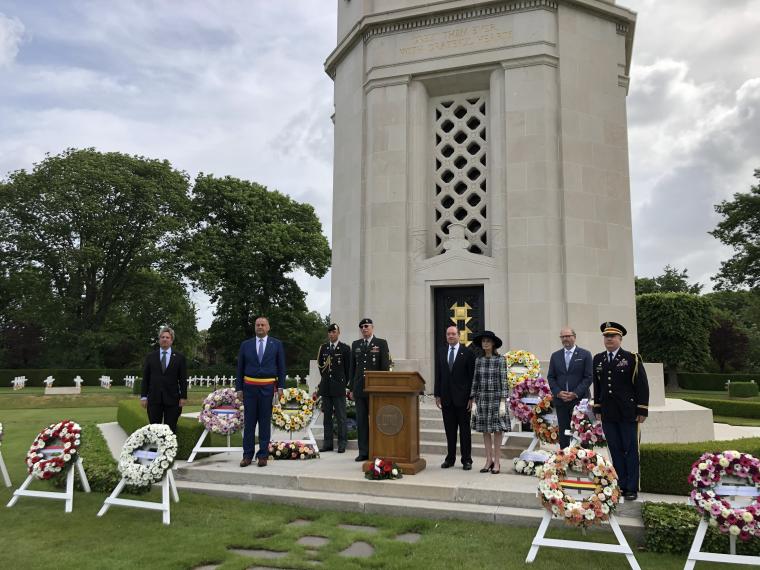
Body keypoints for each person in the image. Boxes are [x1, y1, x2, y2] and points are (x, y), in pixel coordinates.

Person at [592, 321, 649, 501]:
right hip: (608, 412)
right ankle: (620, 483)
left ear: (620, 338)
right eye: (606, 336)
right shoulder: (598, 359)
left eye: (612, 336)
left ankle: (631, 487)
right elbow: (598, 385)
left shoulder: (631, 358)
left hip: (628, 412)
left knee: (630, 449)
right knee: (615, 449)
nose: (609, 339)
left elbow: (641, 385)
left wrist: (642, 409)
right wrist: (598, 407)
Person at [236, 317, 286, 468]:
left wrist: (281, 387)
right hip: (249, 388)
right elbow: (240, 368)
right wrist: (239, 388)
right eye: (257, 325)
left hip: (267, 388)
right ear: (255, 327)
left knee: (264, 422)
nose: (260, 327)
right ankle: (247, 455)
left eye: (263, 325)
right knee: (249, 423)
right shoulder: (246, 345)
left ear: (268, 327)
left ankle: (263, 455)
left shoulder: (276, 344)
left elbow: (281, 367)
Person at [434, 325, 476, 470]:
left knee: (465, 431)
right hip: (446, 398)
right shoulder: (441, 352)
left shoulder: (468, 353)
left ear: (459, 335)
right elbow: (438, 374)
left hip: (463, 400)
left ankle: (467, 460)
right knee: (449, 431)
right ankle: (450, 459)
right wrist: (437, 394)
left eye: (453, 334)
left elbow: (472, 377)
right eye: (448, 334)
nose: (450, 336)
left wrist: (472, 397)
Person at [349, 318, 390, 462]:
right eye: (361, 327)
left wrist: (383, 387)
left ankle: (377, 449)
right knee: (361, 422)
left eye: (366, 326)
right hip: (360, 389)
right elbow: (352, 368)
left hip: (376, 389)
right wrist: (351, 388)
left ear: (372, 327)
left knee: (377, 421)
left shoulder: (381, 343)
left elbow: (385, 367)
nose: (364, 328)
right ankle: (363, 451)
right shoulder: (356, 344)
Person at [469, 330, 509, 474]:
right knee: (485, 431)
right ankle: (488, 460)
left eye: (488, 341)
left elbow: (504, 381)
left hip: (497, 398)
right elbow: (475, 381)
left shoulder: (501, 360)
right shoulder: (478, 360)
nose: (485, 343)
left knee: (498, 430)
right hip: (483, 398)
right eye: (483, 341)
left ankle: (497, 462)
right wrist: (473, 400)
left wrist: (503, 401)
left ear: (493, 344)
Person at [546, 327, 593, 448]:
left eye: (568, 336)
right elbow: (551, 377)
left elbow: (588, 377)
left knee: (581, 433)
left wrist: (575, 393)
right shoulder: (555, 356)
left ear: (574, 337)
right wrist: (558, 392)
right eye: (563, 337)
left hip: (579, 401)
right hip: (561, 401)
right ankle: (564, 458)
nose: (565, 339)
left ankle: (583, 459)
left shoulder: (585, 354)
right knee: (564, 432)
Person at [140, 326, 188, 433]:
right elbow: (146, 378)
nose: (165, 339)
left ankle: (169, 450)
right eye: (162, 337)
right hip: (154, 399)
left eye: (167, 337)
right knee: (154, 429)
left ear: (171, 340)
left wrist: (183, 397)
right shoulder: (150, 357)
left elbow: (183, 379)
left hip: (173, 400)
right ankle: (155, 450)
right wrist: (143, 397)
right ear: (159, 340)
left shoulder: (180, 358)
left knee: (170, 429)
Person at [316, 323, 351, 453]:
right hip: (326, 387)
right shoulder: (323, 348)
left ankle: (342, 443)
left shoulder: (345, 348)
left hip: (339, 387)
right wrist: (326, 380)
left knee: (341, 417)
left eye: (334, 332)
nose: (331, 334)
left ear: (338, 333)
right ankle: (328, 443)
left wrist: (344, 384)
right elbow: (321, 367)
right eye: (329, 332)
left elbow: (348, 369)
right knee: (327, 418)